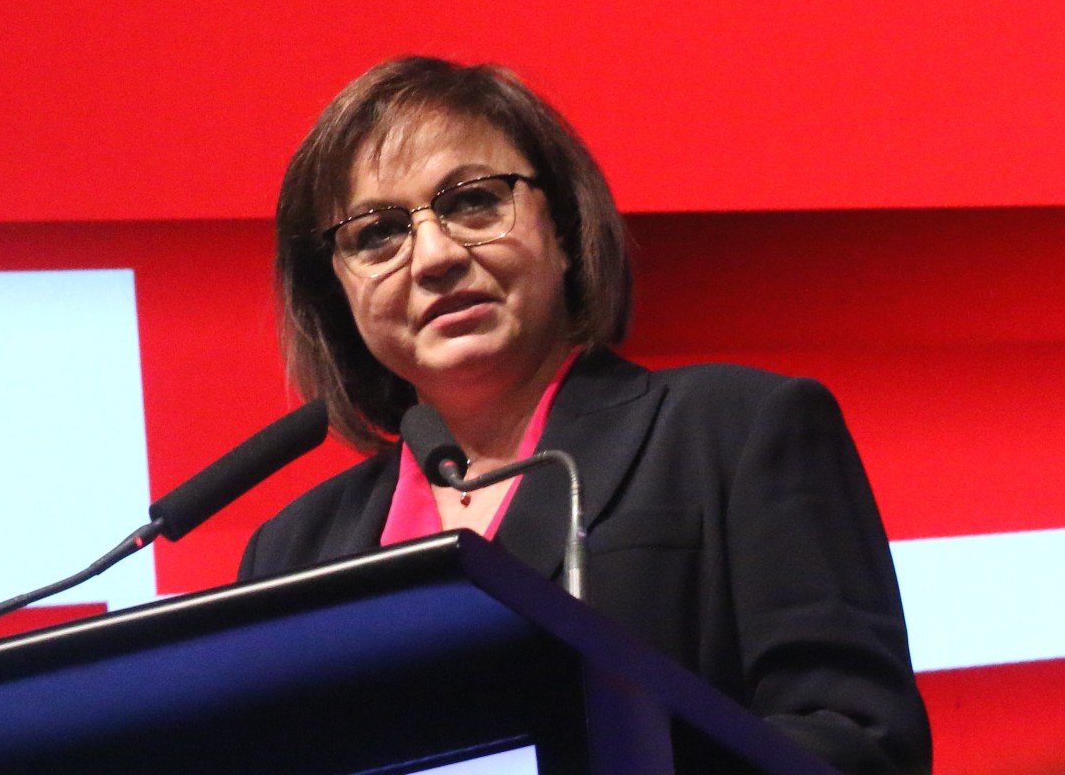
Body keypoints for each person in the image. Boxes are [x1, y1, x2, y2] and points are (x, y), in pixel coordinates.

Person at [237, 57, 929, 775]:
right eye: (378, 232)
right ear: (338, 292)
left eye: (473, 201)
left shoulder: (735, 432)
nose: (435, 256)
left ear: (563, 231)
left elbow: (859, 742)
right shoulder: (290, 555)